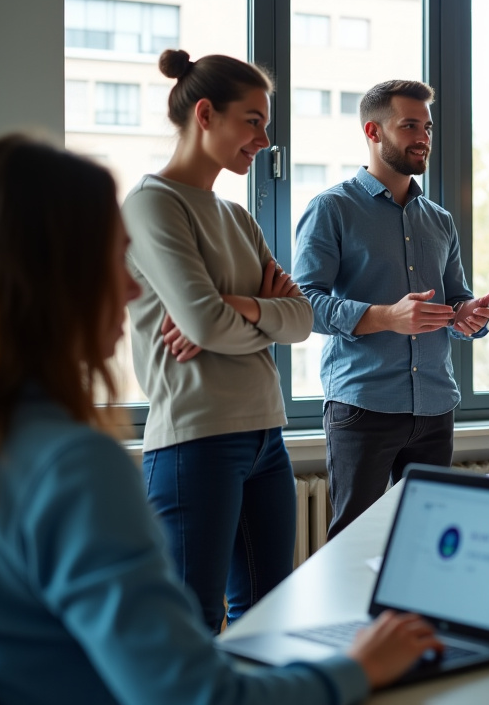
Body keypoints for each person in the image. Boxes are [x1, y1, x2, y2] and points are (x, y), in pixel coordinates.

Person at [0, 135, 441, 705]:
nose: (135, 287)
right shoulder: (70, 466)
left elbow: (295, 315)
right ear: (51, 277)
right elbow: (194, 696)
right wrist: (359, 668)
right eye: (116, 258)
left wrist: (247, 311)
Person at [123, 50, 312, 633]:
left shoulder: (237, 216)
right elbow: (202, 324)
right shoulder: (154, 204)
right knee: (190, 625)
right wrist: (260, 312)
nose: (264, 137)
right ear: (205, 114)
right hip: (195, 439)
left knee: (268, 620)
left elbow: (302, 320)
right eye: (252, 120)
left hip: (264, 437)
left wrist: (241, 305)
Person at [293, 80, 489, 539]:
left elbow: (453, 300)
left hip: (434, 407)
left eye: (426, 126)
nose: (423, 136)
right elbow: (303, 304)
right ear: (373, 131)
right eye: (409, 125)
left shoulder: (440, 220)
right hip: (363, 406)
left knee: (427, 543)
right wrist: (387, 316)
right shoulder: (332, 209)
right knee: (353, 541)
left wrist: (468, 316)